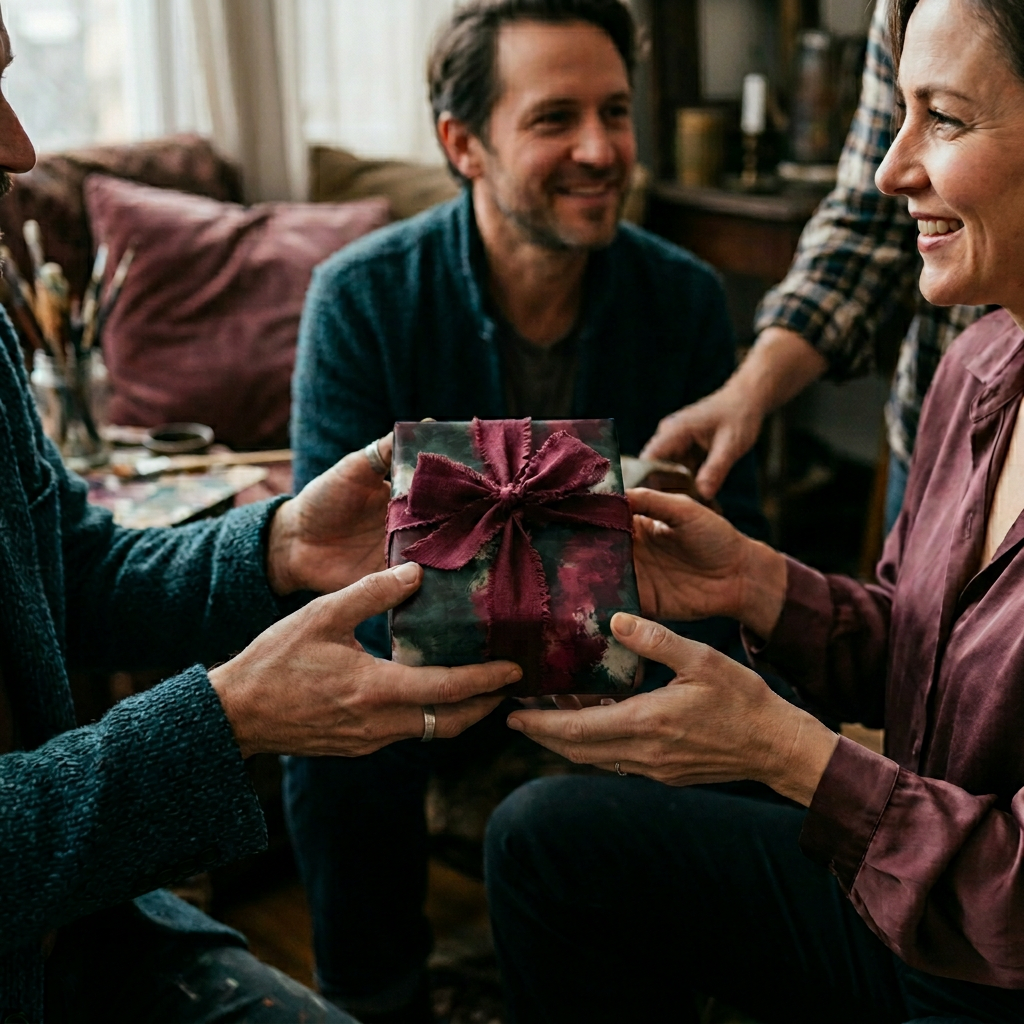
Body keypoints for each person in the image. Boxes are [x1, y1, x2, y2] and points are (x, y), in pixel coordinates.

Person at [485, 0, 1024, 1020]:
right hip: (911, 901)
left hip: (994, 966)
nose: (887, 170)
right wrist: (753, 580)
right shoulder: (974, 364)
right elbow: (917, 643)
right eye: (896, 112)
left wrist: (785, 752)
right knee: (545, 844)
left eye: (943, 118)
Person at [0, 13, 522, 1022]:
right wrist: (229, 714)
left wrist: (278, 544)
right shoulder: (373, 290)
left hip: (86, 927)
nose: (20, 148)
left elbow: (76, 576)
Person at [288, 1, 765, 1018]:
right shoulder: (361, 298)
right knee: (325, 741)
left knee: (755, 710)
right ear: (462, 143)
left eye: (617, 111)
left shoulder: (681, 298)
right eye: (556, 118)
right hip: (423, 670)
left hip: (626, 662)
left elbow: (735, 562)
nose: (602, 150)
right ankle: (373, 997)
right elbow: (337, 569)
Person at [641, 0, 987, 533]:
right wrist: (747, 394)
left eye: (942, 115)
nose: (888, 174)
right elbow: (865, 225)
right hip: (937, 442)